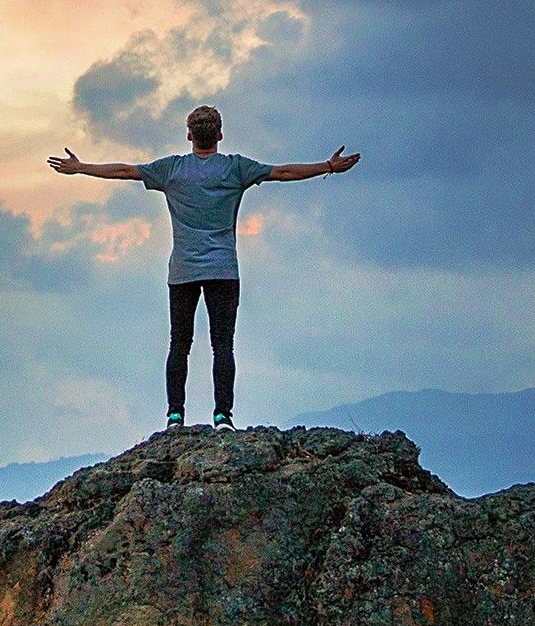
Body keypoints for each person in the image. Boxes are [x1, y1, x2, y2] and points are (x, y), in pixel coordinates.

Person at [50, 105, 360, 430]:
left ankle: (175, 416)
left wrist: (80, 167)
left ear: (189, 135)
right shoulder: (236, 169)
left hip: (183, 271)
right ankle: (223, 416)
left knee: (179, 345)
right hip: (223, 270)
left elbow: (125, 171)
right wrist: (328, 166)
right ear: (220, 135)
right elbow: (282, 173)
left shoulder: (172, 170)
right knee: (223, 344)